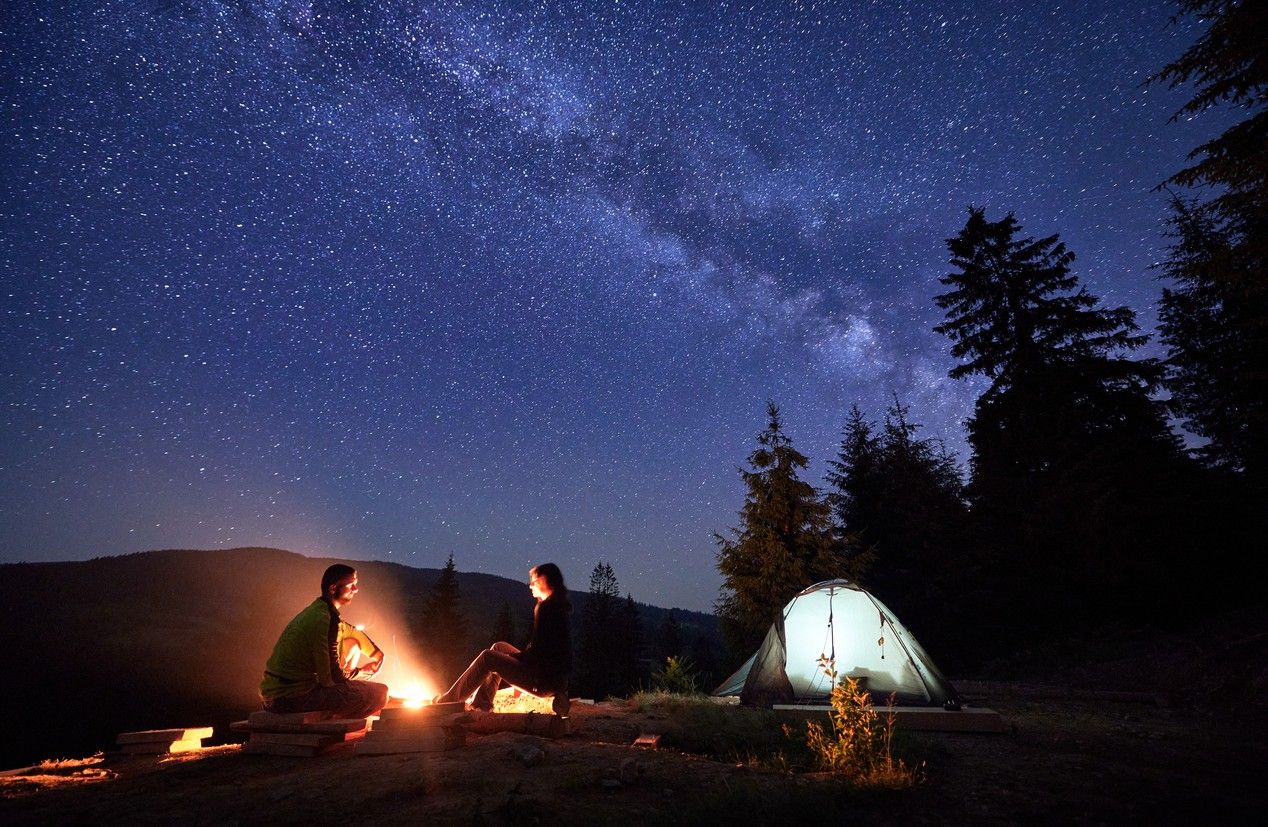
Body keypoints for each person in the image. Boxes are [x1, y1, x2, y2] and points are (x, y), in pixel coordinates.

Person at [437, 563, 572, 715]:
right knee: (499, 647)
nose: (530, 586)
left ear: (544, 581)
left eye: (533, 582)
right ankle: (481, 704)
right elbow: (547, 649)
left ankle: (448, 703)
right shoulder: (557, 605)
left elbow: (539, 651)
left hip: (540, 681)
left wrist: (513, 658)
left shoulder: (547, 608)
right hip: (548, 677)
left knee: (487, 658)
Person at [259, 564, 389, 718]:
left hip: (274, 695)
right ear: (333, 588)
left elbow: (350, 631)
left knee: (351, 642)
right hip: (290, 698)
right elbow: (332, 678)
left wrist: (376, 654)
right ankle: (337, 722)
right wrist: (363, 673)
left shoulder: (320, 610)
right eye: (351, 585)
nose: (356, 589)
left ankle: (336, 710)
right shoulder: (324, 620)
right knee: (380, 693)